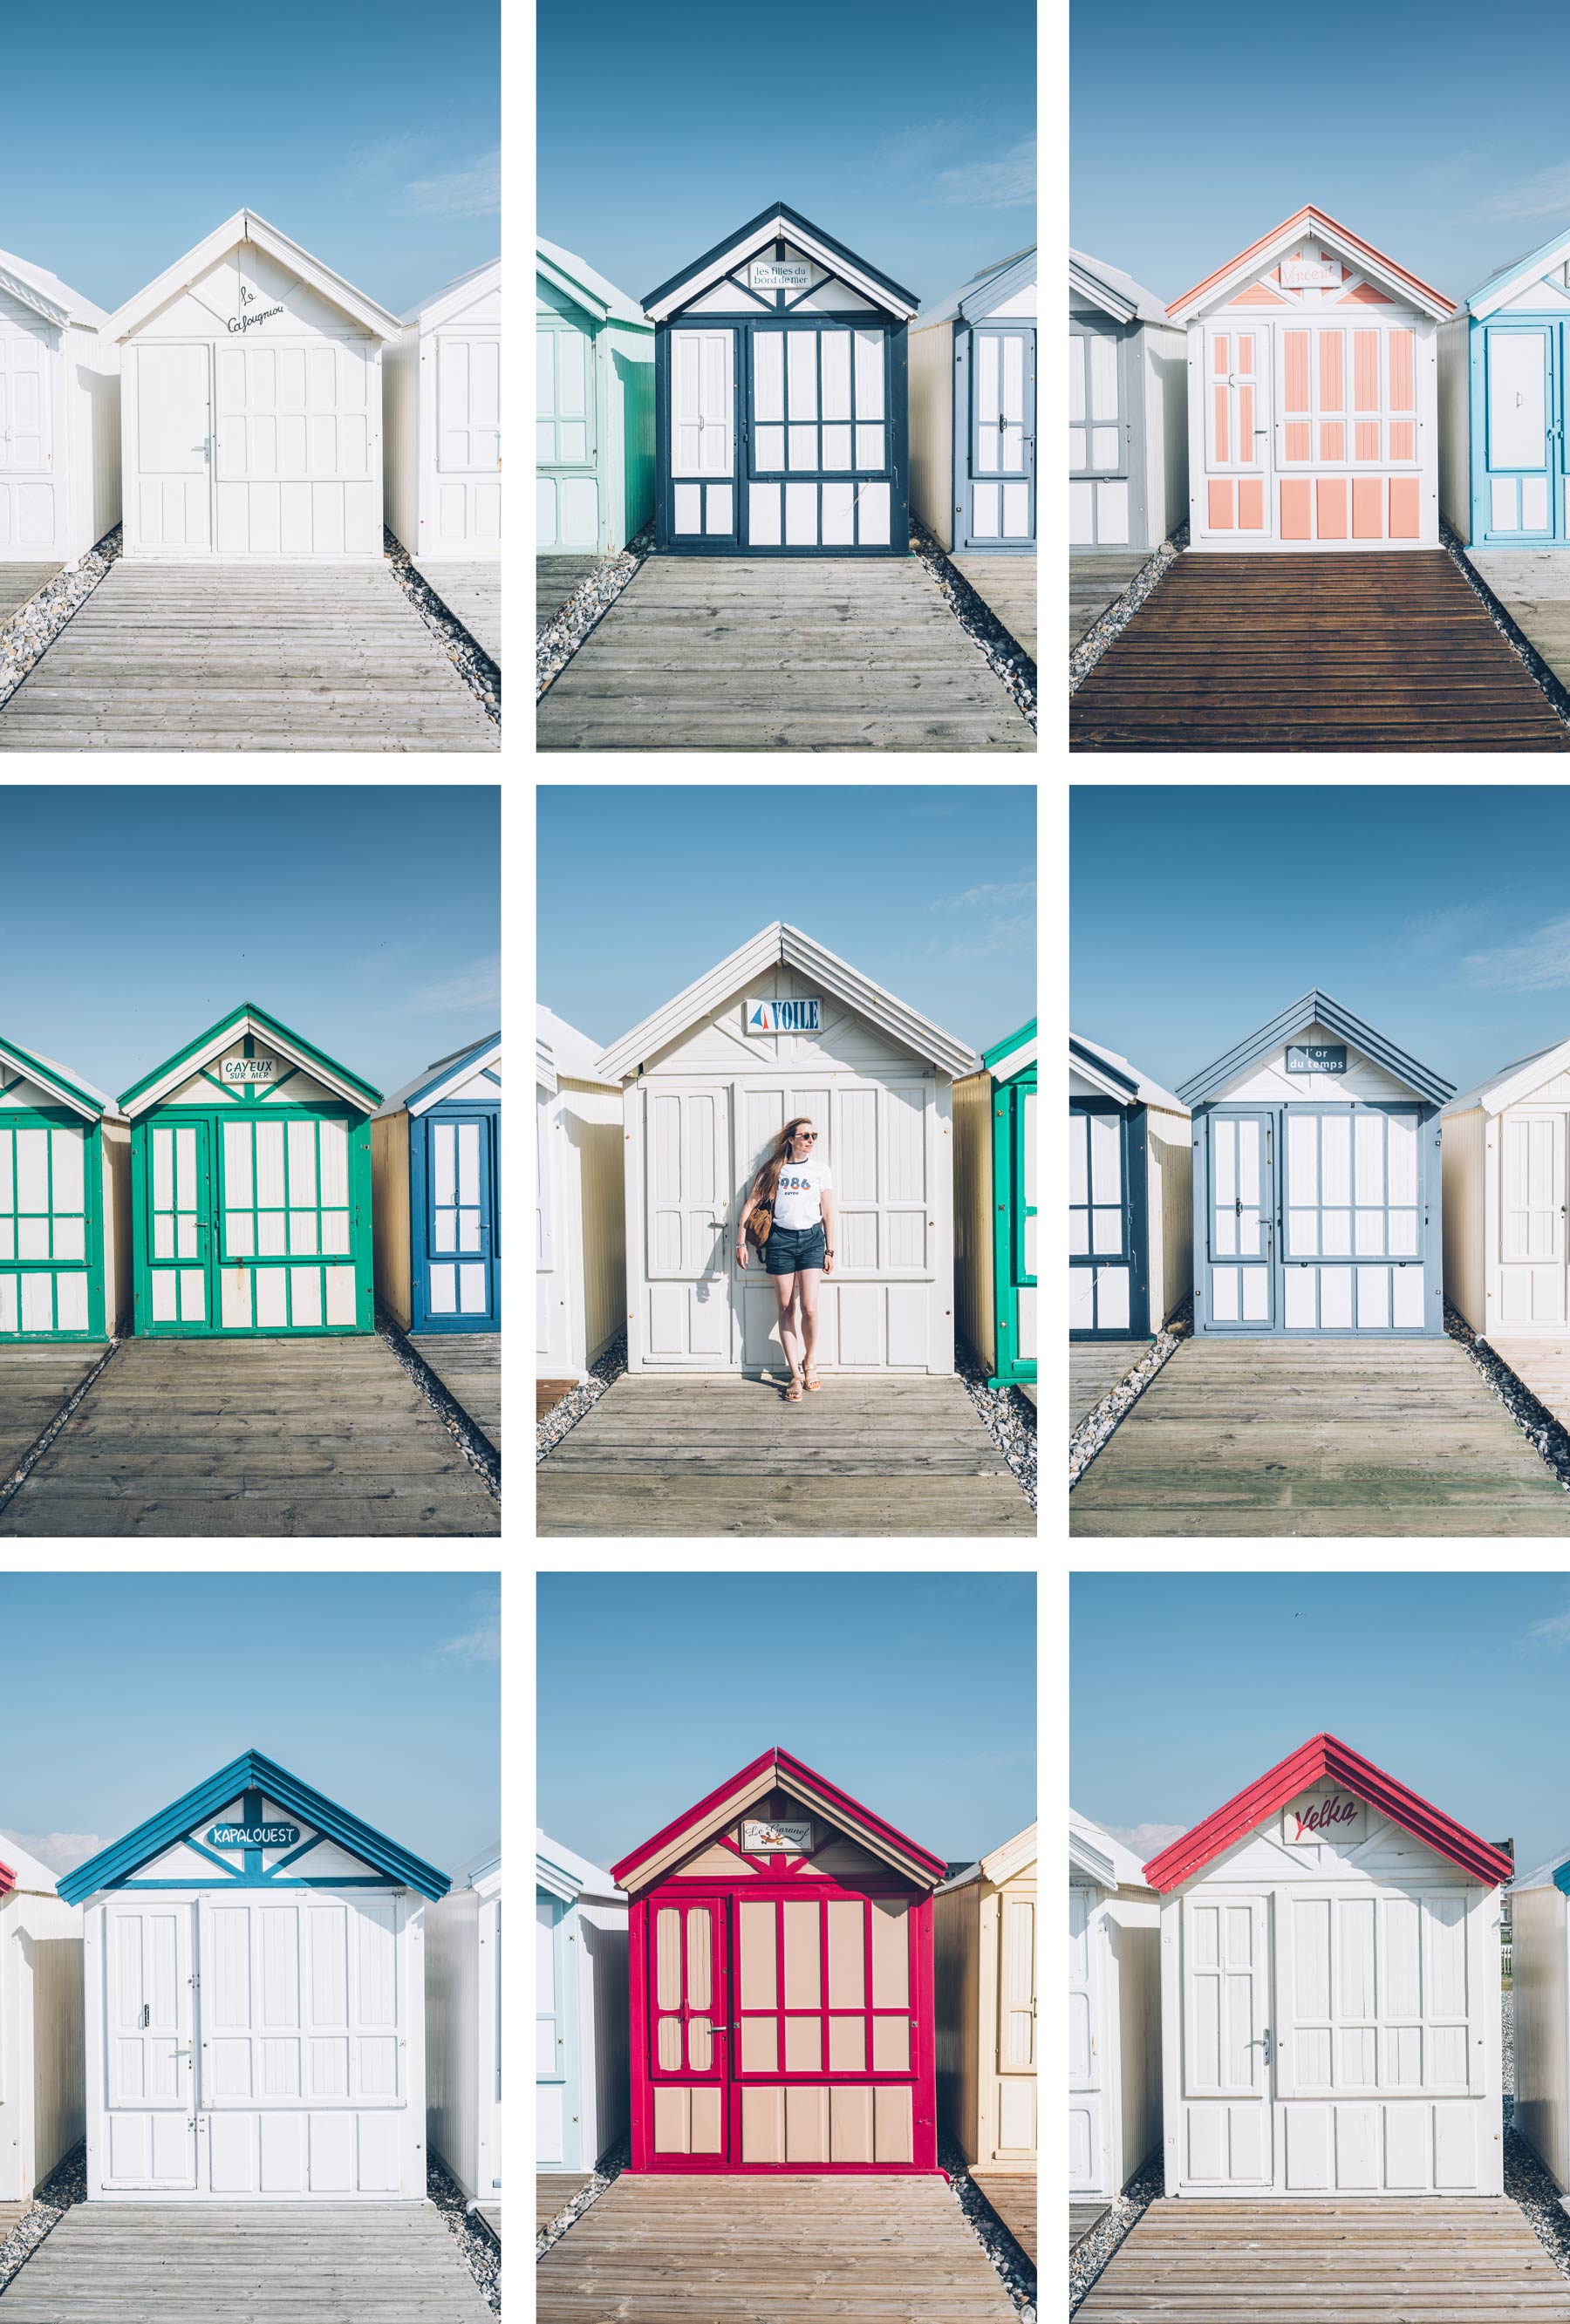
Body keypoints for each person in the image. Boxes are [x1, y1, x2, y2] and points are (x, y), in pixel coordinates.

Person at [736, 1115, 836, 1401]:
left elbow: (828, 1213)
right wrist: (740, 1243)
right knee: (786, 1308)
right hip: (780, 1241)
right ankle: (794, 1374)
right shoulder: (775, 1169)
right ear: (790, 1139)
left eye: (813, 1136)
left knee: (810, 1307)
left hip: (812, 1242)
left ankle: (810, 1362)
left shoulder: (820, 1171)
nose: (810, 1140)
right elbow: (751, 1204)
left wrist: (830, 1249)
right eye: (804, 1136)